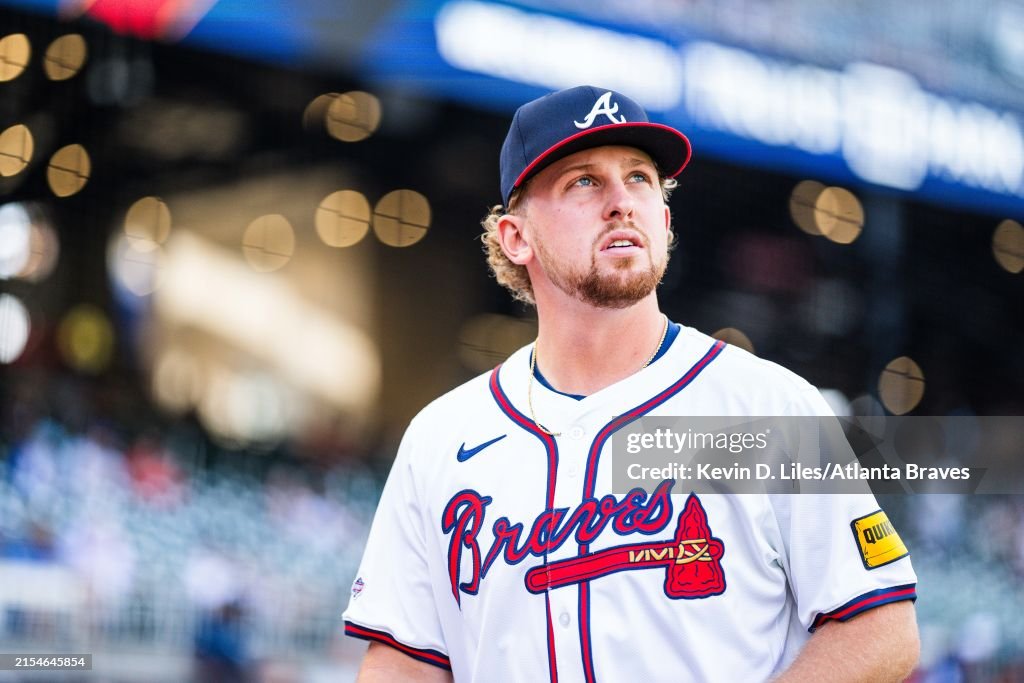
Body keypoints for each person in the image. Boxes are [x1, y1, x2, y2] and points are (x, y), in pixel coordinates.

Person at [343, 85, 919, 682]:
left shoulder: (771, 407)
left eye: (640, 179)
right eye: (583, 182)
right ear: (516, 238)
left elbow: (879, 627)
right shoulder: (441, 436)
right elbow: (404, 657)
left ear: (664, 222)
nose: (622, 201)